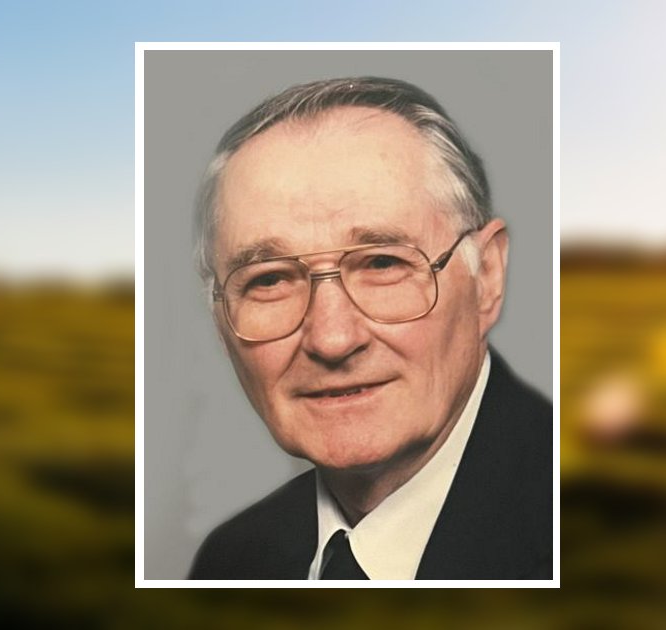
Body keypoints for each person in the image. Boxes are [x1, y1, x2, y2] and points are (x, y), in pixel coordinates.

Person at [187, 76, 552, 580]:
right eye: (269, 279)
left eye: (382, 263)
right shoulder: (231, 561)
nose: (332, 339)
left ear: (486, 277)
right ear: (219, 319)